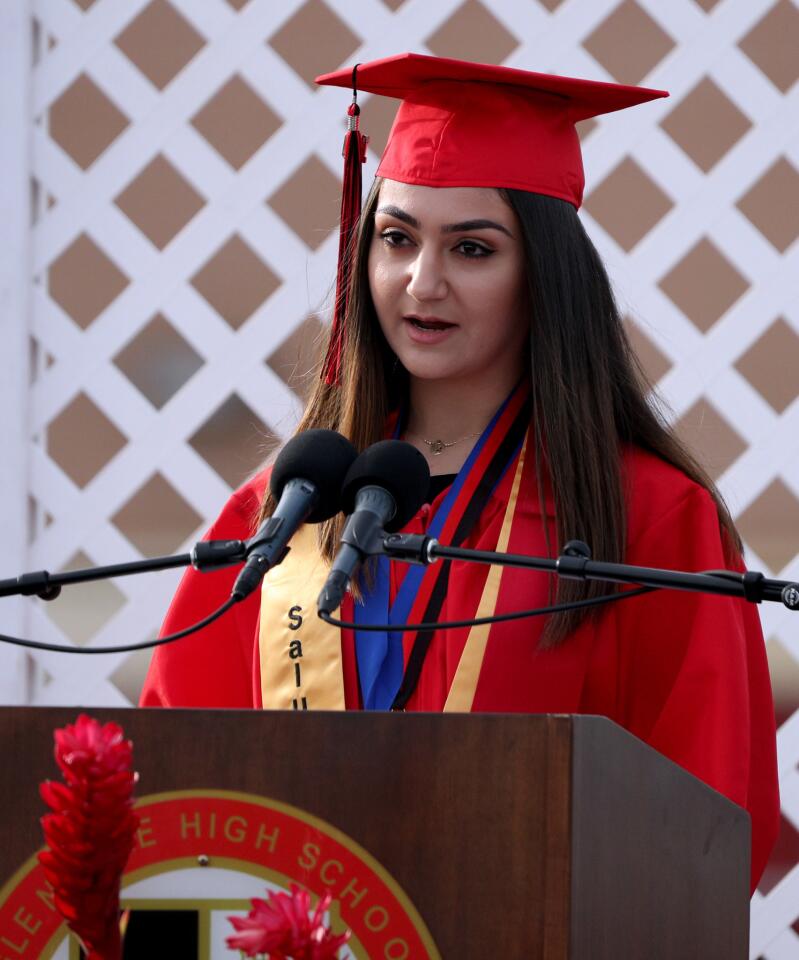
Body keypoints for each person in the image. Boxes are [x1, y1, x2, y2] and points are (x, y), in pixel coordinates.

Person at [141, 54, 779, 891]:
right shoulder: (279, 513)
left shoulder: (649, 516)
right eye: (396, 238)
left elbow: (704, 815)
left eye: (472, 248)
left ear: (542, 277)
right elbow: (173, 778)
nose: (421, 281)